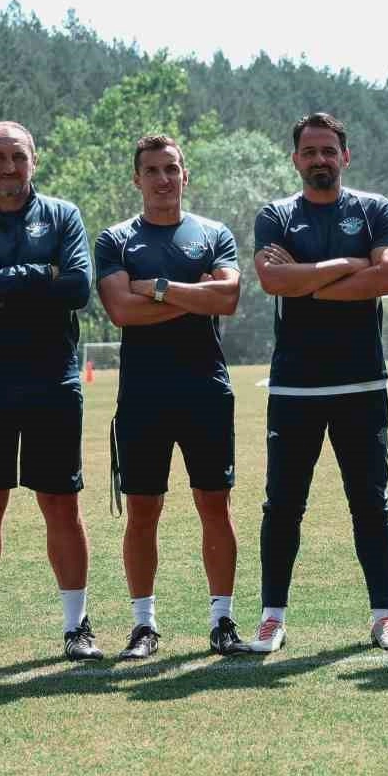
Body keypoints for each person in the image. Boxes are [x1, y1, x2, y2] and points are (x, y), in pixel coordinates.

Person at [0, 120, 102, 664]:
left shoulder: (63, 216)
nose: (9, 167)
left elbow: (77, 287)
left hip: (52, 379)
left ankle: (77, 625)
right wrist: (41, 275)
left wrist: (2, 278)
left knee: (61, 504)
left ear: (34, 160)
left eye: (18, 157)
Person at [251, 112, 388, 653]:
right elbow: (272, 278)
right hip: (294, 386)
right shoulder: (275, 215)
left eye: (328, 150)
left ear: (345, 156)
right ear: (296, 159)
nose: (320, 159)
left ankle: (385, 616)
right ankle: (272, 617)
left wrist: (308, 282)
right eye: (310, 151)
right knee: (282, 506)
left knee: (371, 505)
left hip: (361, 383)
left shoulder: (374, 209)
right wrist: (348, 265)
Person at [94, 134, 248, 658]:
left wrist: (156, 288)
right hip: (143, 395)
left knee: (215, 506)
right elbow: (121, 310)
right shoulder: (116, 240)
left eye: (171, 169)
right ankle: (143, 626)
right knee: (143, 511)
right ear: (136, 179)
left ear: (185, 175)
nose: (163, 179)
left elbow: (228, 297)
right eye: (152, 170)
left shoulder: (213, 234)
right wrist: (195, 295)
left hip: (206, 389)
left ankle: (222, 620)